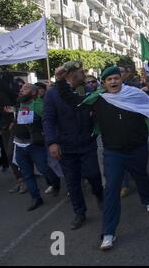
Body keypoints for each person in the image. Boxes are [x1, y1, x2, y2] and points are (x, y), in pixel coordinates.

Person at [56, 65, 149, 250]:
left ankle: (147, 199)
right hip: (113, 152)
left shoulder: (135, 95)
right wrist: (59, 81)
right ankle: (108, 233)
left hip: (137, 148)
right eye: (109, 79)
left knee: (141, 176)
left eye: (116, 78)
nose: (113, 82)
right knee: (111, 189)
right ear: (104, 83)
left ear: (121, 79)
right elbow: (71, 99)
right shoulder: (97, 99)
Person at [43, 61, 104, 230]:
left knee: (93, 175)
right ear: (72, 75)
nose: (84, 74)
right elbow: (48, 120)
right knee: (72, 182)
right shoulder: (52, 94)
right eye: (81, 72)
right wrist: (52, 142)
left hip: (87, 143)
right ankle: (79, 212)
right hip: (66, 147)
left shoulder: (88, 91)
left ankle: (99, 194)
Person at [11, 83, 61, 211]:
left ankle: (55, 182)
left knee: (44, 169)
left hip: (35, 146)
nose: (21, 90)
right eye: (21, 88)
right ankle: (36, 198)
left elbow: (50, 122)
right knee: (27, 174)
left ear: (34, 93)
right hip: (19, 145)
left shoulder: (40, 105)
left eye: (25, 88)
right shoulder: (19, 103)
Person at [0, 58, 24, 194]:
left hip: (13, 120)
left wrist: (14, 118)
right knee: (9, 153)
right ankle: (20, 180)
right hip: (1, 122)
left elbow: (11, 94)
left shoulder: (6, 80)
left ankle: (26, 177)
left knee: (12, 151)